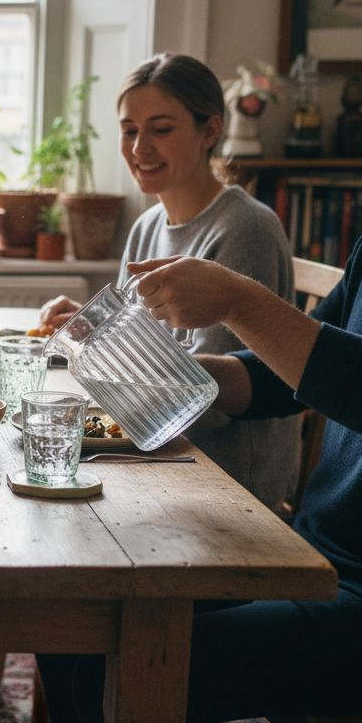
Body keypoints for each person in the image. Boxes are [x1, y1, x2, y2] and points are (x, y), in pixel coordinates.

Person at [37, 0, 362, 723]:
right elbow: (284, 377)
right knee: (72, 620)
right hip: (318, 557)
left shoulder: (250, 226)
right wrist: (190, 375)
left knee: (115, 664)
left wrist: (241, 300)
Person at [38, 53, 298, 512]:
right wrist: (86, 328)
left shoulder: (244, 229)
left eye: (160, 129)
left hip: (225, 483)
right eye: (129, 130)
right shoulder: (147, 225)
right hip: (157, 452)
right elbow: (130, 355)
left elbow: (206, 407)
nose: (139, 148)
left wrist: (103, 367)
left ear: (210, 131)